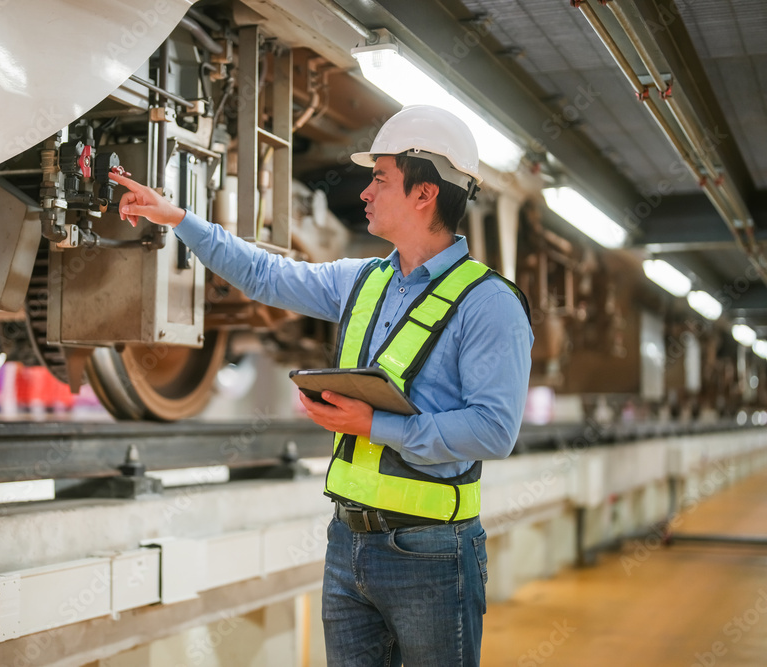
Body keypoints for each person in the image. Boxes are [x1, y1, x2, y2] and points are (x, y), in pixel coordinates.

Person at [110, 105, 533, 666]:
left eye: (380, 179)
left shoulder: (490, 305)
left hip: (434, 550)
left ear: (424, 194)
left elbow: (494, 430)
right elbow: (264, 275)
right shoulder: (363, 280)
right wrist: (179, 218)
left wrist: (374, 425)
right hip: (347, 541)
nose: (365, 193)